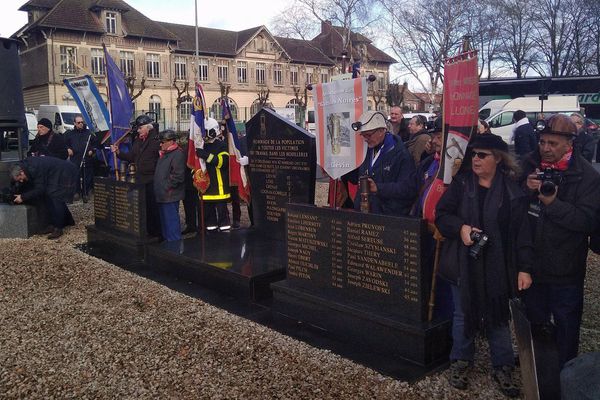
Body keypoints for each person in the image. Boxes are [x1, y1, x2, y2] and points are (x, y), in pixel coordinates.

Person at [435, 133, 534, 398]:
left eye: (482, 155)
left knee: (498, 316)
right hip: (463, 263)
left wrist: (524, 268)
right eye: (473, 154)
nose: (475, 159)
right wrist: (461, 228)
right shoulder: (462, 183)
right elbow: (442, 215)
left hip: (498, 265)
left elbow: (523, 234)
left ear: (498, 158)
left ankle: (502, 366)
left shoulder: (513, 190)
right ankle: (461, 361)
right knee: (462, 313)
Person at [519, 114, 600, 369]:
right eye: (542, 142)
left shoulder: (587, 176)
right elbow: (511, 211)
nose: (545, 148)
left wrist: (553, 204)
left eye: (553, 143)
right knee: (534, 323)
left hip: (566, 270)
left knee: (566, 329)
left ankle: (565, 377)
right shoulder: (530, 164)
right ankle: (538, 372)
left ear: (569, 144)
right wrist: (524, 188)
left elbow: (586, 221)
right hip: (531, 265)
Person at [350, 110, 416, 216]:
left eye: (368, 135)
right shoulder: (366, 151)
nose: (365, 139)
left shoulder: (401, 154)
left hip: (388, 219)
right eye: (363, 135)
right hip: (365, 214)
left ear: (381, 131)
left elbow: (408, 189)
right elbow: (355, 179)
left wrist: (378, 188)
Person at [111, 114, 162, 238]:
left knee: (153, 208)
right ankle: (149, 231)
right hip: (141, 179)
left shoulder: (156, 140)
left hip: (152, 179)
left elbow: (160, 159)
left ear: (147, 127)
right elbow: (131, 156)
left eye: (140, 128)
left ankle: (157, 233)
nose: (138, 130)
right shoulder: (139, 140)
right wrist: (118, 152)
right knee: (144, 207)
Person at [10, 156, 78, 239]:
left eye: (20, 178)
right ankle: (68, 220)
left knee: (56, 198)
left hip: (64, 173)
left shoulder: (34, 169)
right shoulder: (25, 167)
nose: (21, 181)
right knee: (51, 197)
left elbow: (40, 189)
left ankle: (58, 228)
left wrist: (23, 197)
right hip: (57, 173)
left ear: (22, 172)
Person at [195, 118, 231, 231]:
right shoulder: (202, 146)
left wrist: (205, 155)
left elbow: (222, 162)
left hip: (219, 188)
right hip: (207, 188)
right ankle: (212, 238)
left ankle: (226, 237)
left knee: (223, 219)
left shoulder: (221, 145)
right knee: (210, 222)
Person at [154, 130, 185, 242]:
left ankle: (174, 247)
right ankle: (168, 246)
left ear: (171, 142)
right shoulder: (164, 154)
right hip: (162, 194)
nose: (160, 144)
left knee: (171, 224)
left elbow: (178, 176)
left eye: (163, 142)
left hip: (170, 195)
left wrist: (166, 187)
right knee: (165, 225)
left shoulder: (177, 154)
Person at [64, 115, 98, 200]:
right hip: (75, 158)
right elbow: (64, 143)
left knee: (87, 176)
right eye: (78, 123)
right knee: (76, 176)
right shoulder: (70, 134)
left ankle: (86, 192)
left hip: (87, 158)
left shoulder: (89, 133)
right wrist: (68, 149)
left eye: (82, 122)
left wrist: (92, 150)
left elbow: (95, 144)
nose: (81, 124)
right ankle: (76, 192)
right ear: (75, 123)